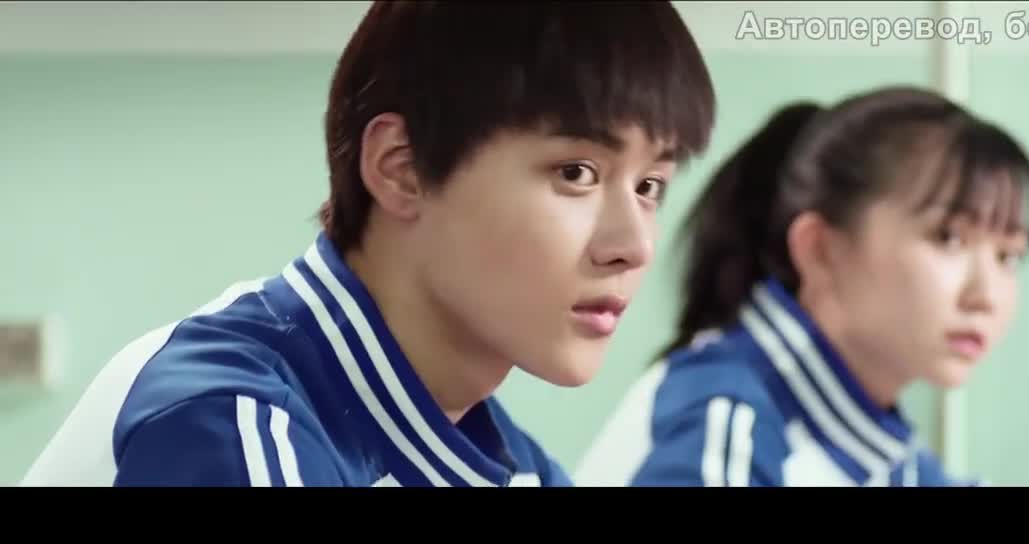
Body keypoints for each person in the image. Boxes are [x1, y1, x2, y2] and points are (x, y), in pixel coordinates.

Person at [20, 1, 715, 487]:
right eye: (576, 173)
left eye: (649, 185)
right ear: (402, 168)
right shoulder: (238, 428)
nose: (635, 246)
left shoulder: (507, 460)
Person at [573, 87, 1029, 487]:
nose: (986, 296)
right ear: (820, 249)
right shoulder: (727, 414)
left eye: (1008, 256)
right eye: (948, 238)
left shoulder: (885, 452)